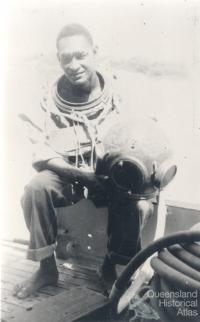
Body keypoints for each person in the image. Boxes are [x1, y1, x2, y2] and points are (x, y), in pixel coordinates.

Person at [13, 23, 147, 299]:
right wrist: (81, 175)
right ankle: (46, 268)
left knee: (138, 204)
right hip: (69, 173)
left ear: (95, 52)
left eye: (81, 56)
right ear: (58, 59)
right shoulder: (45, 101)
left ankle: (110, 267)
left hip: (112, 174)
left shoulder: (123, 94)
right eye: (66, 58)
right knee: (35, 190)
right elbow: (40, 151)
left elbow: (143, 139)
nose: (73, 65)